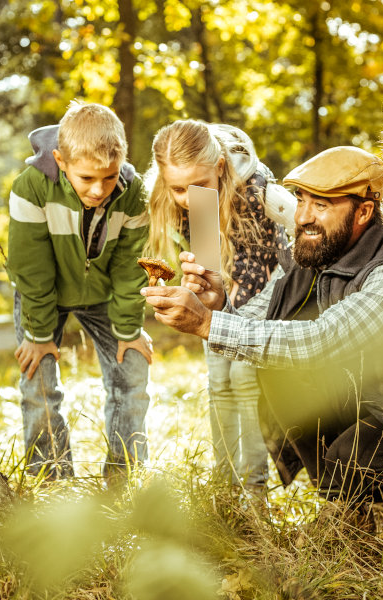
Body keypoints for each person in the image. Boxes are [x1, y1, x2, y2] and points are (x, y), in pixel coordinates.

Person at [143, 146, 383, 507]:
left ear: (364, 212)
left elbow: (322, 339)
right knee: (277, 374)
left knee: (351, 458)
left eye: (321, 205)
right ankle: (347, 503)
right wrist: (220, 305)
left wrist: (205, 323)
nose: (303, 216)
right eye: (300, 199)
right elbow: (266, 328)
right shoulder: (315, 255)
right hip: (357, 402)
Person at [7, 101, 152, 483]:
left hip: (104, 293)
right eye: (87, 179)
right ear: (61, 160)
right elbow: (31, 268)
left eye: (108, 177)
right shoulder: (31, 188)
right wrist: (38, 335)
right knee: (38, 382)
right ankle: (52, 478)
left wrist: (128, 329)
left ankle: (125, 476)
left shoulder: (134, 193)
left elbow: (128, 267)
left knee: (133, 370)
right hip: (45, 296)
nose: (99, 189)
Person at [146, 120, 288, 489]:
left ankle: (255, 490)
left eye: (198, 186)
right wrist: (198, 281)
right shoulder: (191, 195)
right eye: (178, 188)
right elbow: (210, 263)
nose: (188, 197)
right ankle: (224, 486)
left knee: (243, 378)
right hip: (224, 291)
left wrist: (221, 315)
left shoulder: (257, 189)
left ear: (220, 167)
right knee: (218, 381)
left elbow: (266, 266)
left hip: (270, 289)